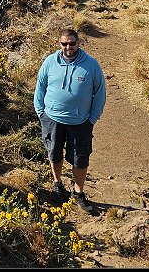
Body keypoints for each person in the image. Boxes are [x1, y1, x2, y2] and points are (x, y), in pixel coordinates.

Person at [34, 28, 106, 213]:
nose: (68, 47)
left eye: (72, 43)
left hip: (81, 122)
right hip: (52, 119)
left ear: (78, 43)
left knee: (80, 159)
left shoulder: (91, 65)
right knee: (54, 153)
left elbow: (100, 93)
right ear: (59, 44)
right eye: (64, 44)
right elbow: (40, 87)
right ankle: (57, 184)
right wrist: (41, 113)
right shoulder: (50, 62)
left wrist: (92, 119)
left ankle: (78, 192)